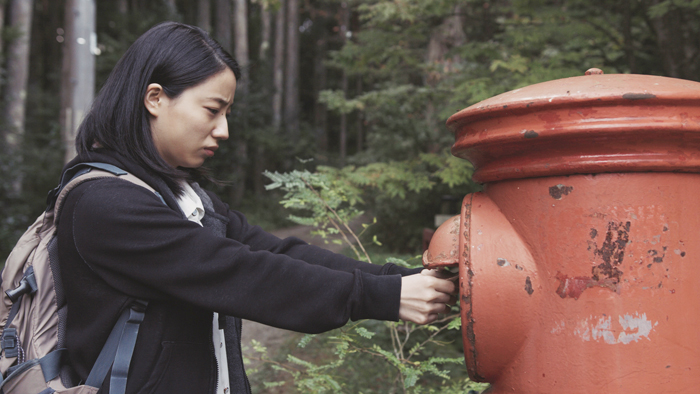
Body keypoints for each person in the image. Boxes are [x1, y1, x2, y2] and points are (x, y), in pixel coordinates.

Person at [55, 21, 457, 394]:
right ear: (155, 98)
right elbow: (245, 273)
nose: (224, 130)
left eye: (227, 113)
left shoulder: (182, 193)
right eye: (212, 110)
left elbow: (276, 250)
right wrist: (382, 296)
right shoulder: (102, 204)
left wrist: (402, 278)